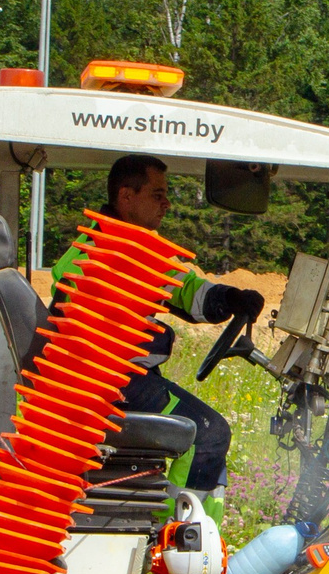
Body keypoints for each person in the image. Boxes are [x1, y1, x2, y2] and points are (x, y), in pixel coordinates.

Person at [50, 155, 263, 525]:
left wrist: (231, 298)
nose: (167, 204)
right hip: (106, 384)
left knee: (210, 432)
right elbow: (83, 338)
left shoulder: (141, 250)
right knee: (208, 435)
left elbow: (188, 293)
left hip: (128, 380)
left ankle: (192, 534)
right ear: (126, 197)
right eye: (158, 194)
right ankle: (172, 536)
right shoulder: (91, 258)